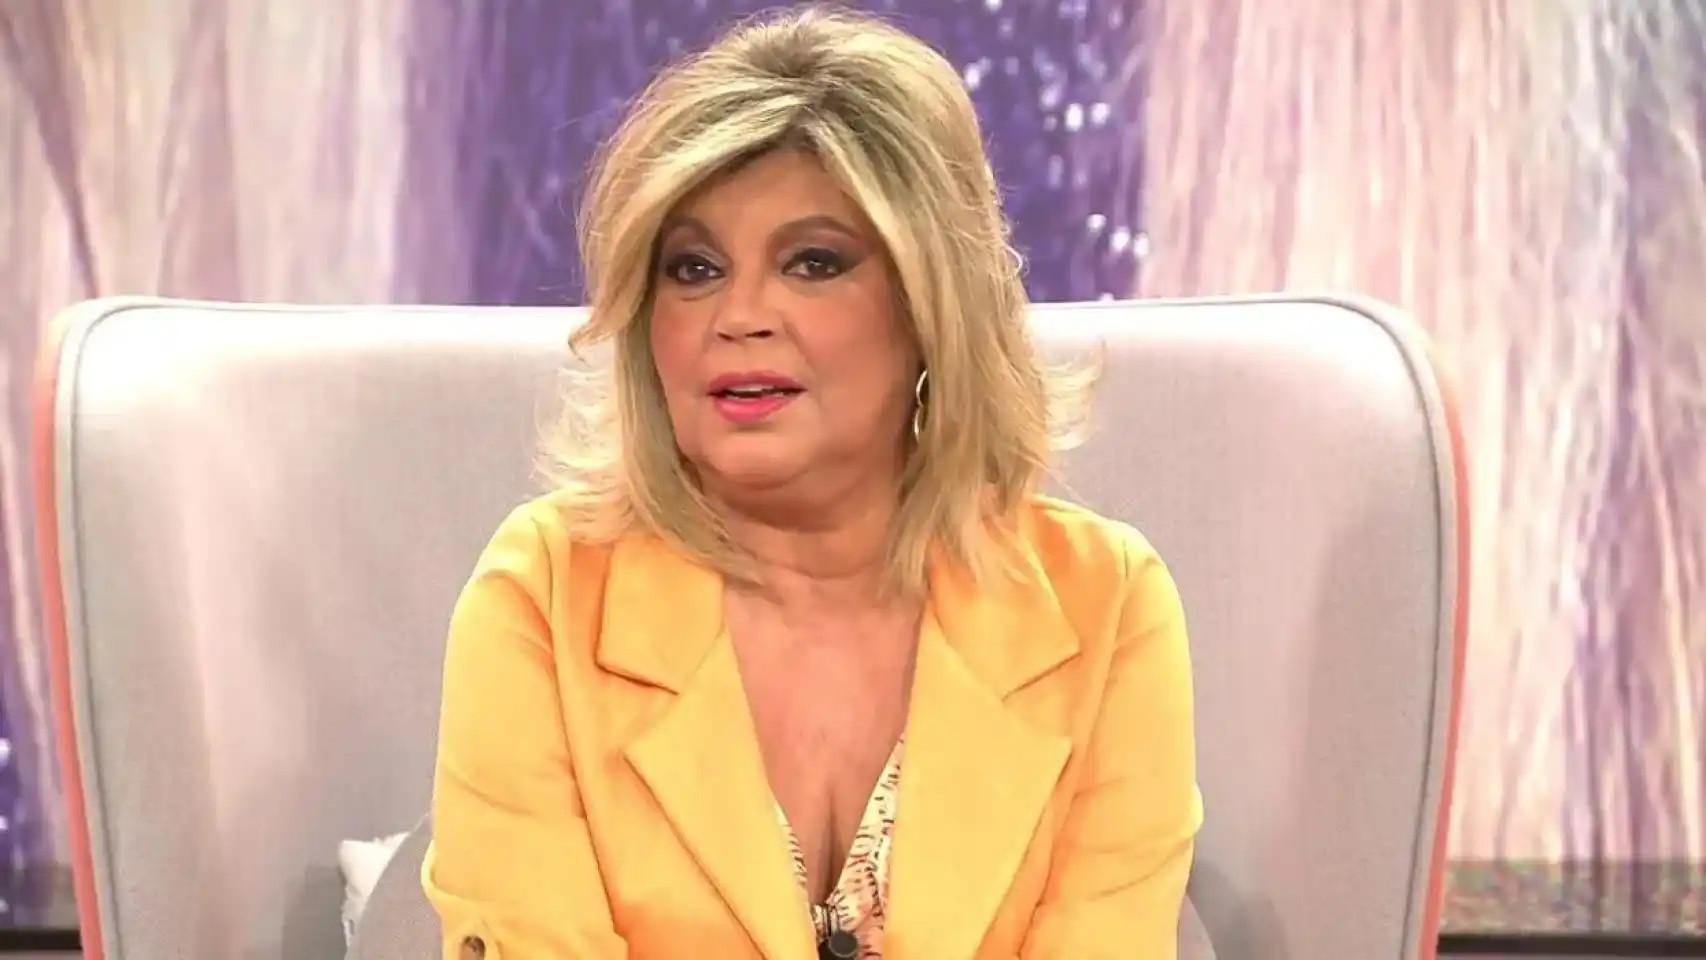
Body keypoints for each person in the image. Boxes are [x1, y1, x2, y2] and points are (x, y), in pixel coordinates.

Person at [423, 7, 1199, 959]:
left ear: (931, 303)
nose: (739, 315)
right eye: (694, 268)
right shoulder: (544, 597)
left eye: (814, 263)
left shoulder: (1104, 606)